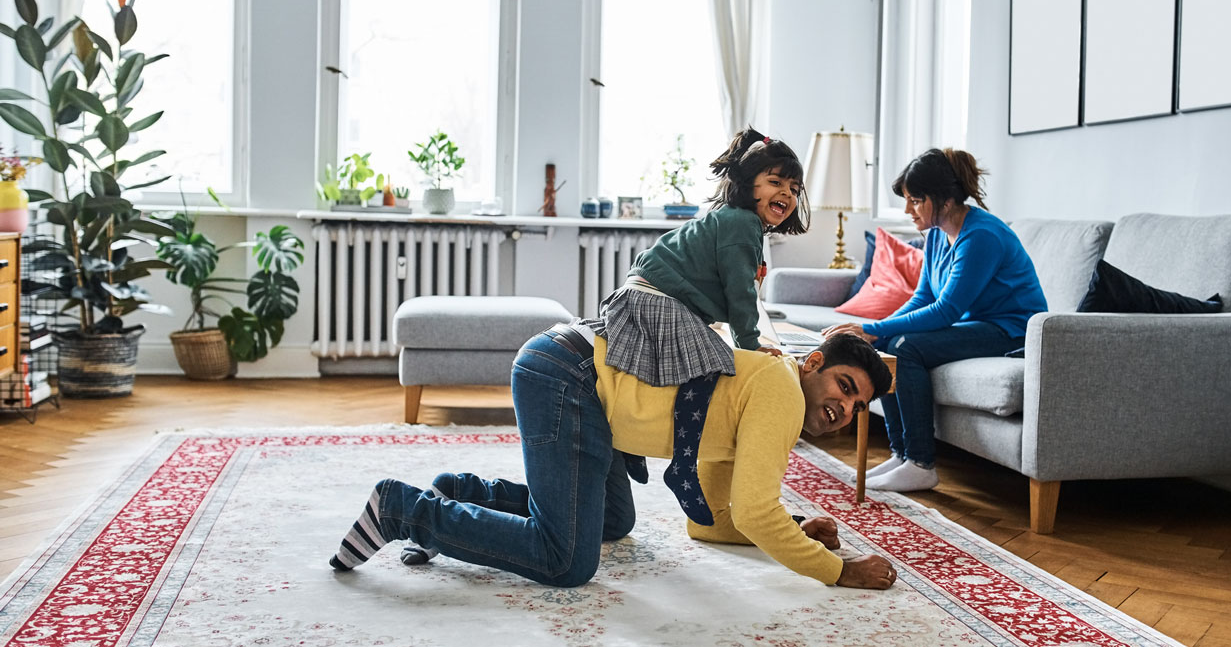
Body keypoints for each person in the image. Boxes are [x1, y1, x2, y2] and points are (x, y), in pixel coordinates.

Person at [328, 331, 897, 590]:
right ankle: (401, 510)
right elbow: (753, 510)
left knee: (609, 521)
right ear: (814, 361)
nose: (843, 408)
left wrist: (793, 529)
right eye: (844, 386)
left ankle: (456, 492)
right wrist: (838, 571)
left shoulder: (765, 392)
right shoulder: (781, 388)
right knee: (566, 562)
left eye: (856, 405)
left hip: (575, 379)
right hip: (567, 376)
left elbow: (713, 519)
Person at [595, 128, 809, 523]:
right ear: (748, 186)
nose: (787, 194)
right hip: (656, 297)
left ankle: (629, 443)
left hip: (644, 290)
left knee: (657, 372)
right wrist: (749, 348)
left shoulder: (736, 222)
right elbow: (740, 291)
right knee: (712, 363)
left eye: (794, 188)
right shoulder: (741, 224)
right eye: (776, 182)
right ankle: (683, 466)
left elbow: (735, 291)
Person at [823, 148, 1047, 493]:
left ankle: (921, 462)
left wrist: (871, 327)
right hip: (980, 325)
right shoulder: (938, 236)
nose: (908, 210)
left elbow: (946, 311)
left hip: (1013, 331)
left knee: (906, 347)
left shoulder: (981, 236)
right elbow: (923, 297)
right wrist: (875, 333)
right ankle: (901, 454)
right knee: (885, 345)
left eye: (915, 200)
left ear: (943, 201)